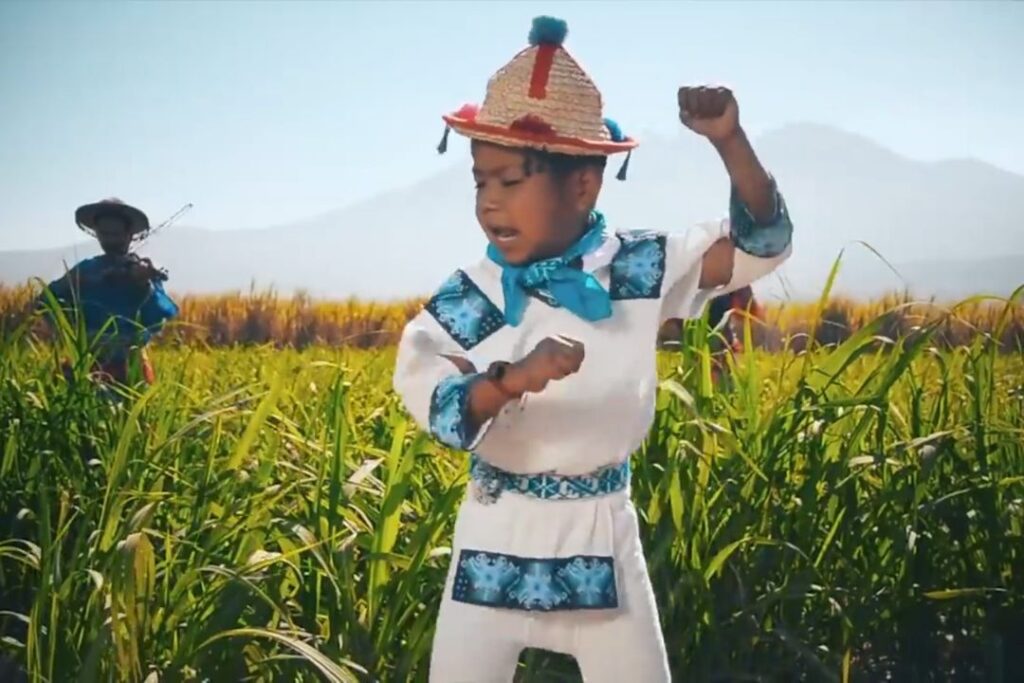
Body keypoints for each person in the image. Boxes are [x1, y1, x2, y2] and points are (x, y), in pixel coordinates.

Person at [393, 17, 793, 682]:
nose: (490, 202)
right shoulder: (476, 293)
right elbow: (428, 386)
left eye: (510, 180)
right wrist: (510, 379)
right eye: (479, 180)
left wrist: (730, 141)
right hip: (494, 537)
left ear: (584, 184)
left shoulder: (637, 268)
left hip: (601, 540)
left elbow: (761, 246)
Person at [40, 198, 178, 386]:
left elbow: (159, 317)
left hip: (129, 366)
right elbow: (45, 302)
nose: (111, 240)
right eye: (105, 234)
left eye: (117, 234)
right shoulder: (86, 269)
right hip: (86, 362)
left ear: (129, 235)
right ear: (97, 234)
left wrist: (143, 285)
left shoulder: (141, 270)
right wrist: (75, 284)